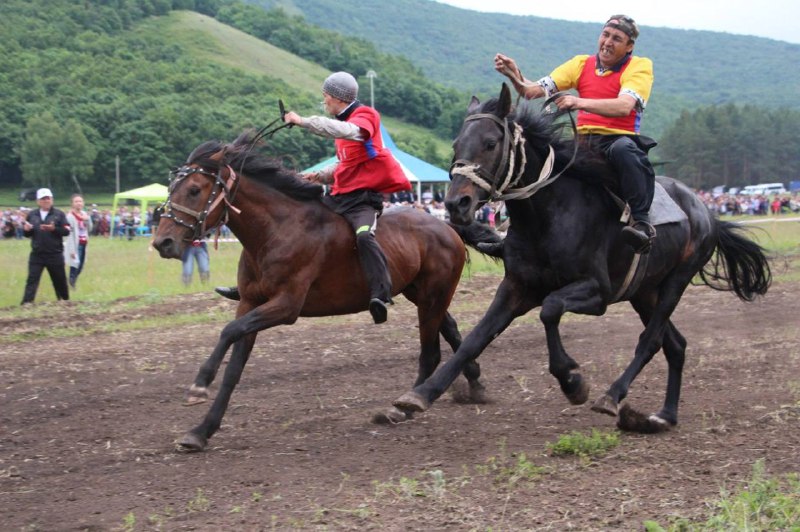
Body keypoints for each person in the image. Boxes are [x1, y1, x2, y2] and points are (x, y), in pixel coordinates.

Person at [216, 72, 411, 324]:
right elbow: (347, 167)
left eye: (325, 97)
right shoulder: (344, 129)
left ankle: (380, 292)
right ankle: (254, 286)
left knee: (363, 236)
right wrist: (319, 176)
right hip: (339, 196)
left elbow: (344, 130)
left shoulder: (365, 117)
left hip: (363, 201)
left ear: (336, 97)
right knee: (296, 224)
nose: (324, 101)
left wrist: (303, 121)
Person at [494, 14, 656, 252]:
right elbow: (532, 91)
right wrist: (514, 74)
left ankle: (642, 224)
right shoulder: (581, 64)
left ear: (629, 46)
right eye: (605, 35)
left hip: (617, 140)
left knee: (624, 151)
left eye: (617, 38)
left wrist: (578, 102)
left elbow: (624, 106)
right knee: (542, 155)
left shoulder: (640, 66)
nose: (608, 42)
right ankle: (517, 231)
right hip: (583, 143)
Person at [21, 188, 71, 304]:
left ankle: (65, 302)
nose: (46, 201)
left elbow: (67, 231)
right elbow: (27, 234)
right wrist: (26, 230)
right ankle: (27, 304)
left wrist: (54, 229)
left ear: (52, 199)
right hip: (37, 254)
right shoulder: (32, 215)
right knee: (32, 279)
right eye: (43, 199)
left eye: (48, 198)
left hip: (54, 253)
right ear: (38, 201)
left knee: (59, 280)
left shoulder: (59, 214)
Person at [64, 193, 93, 289]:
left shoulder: (84, 215)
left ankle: (73, 281)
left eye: (80, 201)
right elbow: (70, 234)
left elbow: (90, 229)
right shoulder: (70, 217)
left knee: (81, 265)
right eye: (76, 201)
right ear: (72, 204)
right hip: (76, 243)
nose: (78, 203)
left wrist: (87, 220)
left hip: (84, 242)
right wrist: (72, 250)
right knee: (75, 264)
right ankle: (72, 282)